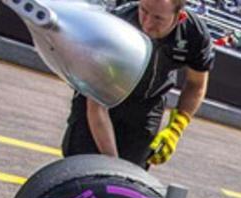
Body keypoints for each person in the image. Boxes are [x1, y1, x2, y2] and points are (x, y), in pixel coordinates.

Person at [61, 0, 214, 167]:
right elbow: (96, 107)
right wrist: (115, 167)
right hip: (102, 95)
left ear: (180, 17)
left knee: (133, 172)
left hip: (146, 105)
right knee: (81, 165)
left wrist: (176, 127)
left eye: (158, 18)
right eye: (144, 11)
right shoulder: (116, 24)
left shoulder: (194, 34)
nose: (148, 24)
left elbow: (196, 84)